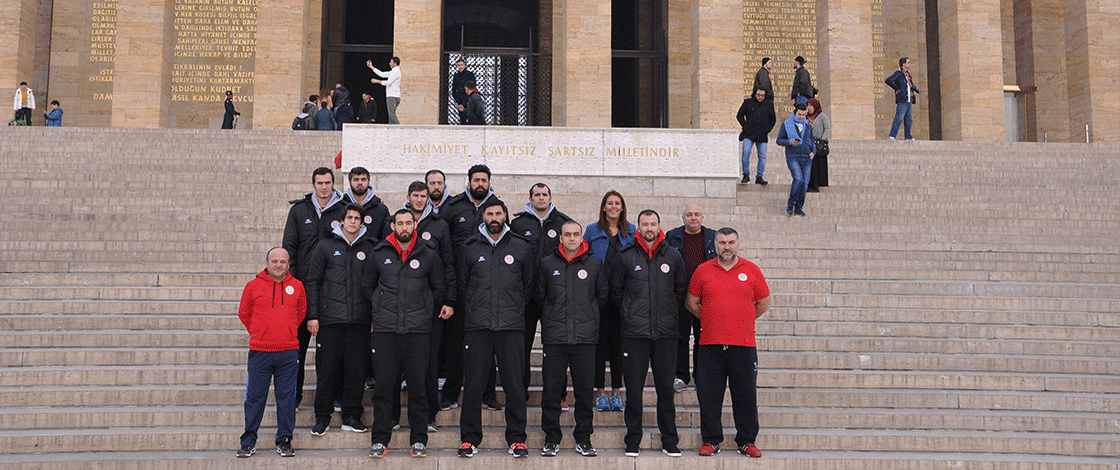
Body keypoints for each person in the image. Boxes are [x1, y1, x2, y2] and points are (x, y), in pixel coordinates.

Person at [365, 209, 448, 458]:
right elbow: (367, 285)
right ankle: (380, 440)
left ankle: (419, 439)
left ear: (415, 225)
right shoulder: (379, 253)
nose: (404, 227)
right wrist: (379, 306)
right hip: (386, 330)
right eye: (399, 223)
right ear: (393, 226)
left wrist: (423, 309)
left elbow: (439, 287)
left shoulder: (429, 255)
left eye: (408, 223)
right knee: (383, 389)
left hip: (418, 331)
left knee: (418, 387)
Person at [455, 199, 533, 458]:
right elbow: (463, 285)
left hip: (511, 326)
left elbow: (528, 286)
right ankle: (469, 438)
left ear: (505, 215)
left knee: (514, 385)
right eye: (489, 213)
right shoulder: (469, 247)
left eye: (499, 212)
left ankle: (517, 439)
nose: (494, 217)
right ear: (483, 216)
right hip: (478, 325)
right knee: (474, 385)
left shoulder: (521, 246)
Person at [686, 228, 771, 458]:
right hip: (710, 345)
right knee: (709, 395)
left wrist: (742, 317)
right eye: (722, 242)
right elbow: (691, 302)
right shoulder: (703, 270)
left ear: (738, 244)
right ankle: (711, 441)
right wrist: (712, 316)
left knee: (745, 394)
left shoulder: (751, 270)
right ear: (715, 244)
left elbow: (763, 302)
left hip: (743, 345)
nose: (727, 246)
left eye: (731, 242)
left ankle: (746, 441)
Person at [610, 210, 686, 457]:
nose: (649, 228)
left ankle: (670, 441)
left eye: (653, 223)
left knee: (665, 390)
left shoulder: (673, 256)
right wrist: (631, 315)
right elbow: (616, 292)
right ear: (638, 227)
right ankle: (633, 440)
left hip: (665, 334)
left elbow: (679, 291)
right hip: (634, 334)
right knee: (633, 390)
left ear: (659, 226)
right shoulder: (625, 256)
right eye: (645, 224)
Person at [536, 220, 607, 457]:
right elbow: (540, 296)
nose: (572, 238)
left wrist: (588, 314)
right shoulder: (547, 264)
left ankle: (584, 438)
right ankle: (551, 438)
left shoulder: (595, 264)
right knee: (551, 391)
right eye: (567, 234)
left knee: (585, 392)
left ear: (581, 237)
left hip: (585, 339)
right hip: (555, 338)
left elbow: (602, 295)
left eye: (576, 234)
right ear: (561, 238)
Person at [389, 181, 456, 432]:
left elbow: (448, 264)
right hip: (396, 310)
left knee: (427, 364)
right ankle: (393, 417)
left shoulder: (439, 225)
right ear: (408, 197)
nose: (419, 199)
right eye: (415, 195)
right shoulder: (396, 221)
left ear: (429, 198)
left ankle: (428, 416)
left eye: (423, 196)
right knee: (394, 367)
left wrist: (448, 301)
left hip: (428, 309)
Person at [304, 204, 376, 437]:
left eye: (357, 218)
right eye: (350, 217)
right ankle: (322, 417)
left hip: (359, 322)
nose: (353, 221)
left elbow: (376, 285)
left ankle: (351, 416)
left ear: (362, 222)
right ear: (342, 221)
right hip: (330, 321)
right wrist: (313, 316)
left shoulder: (371, 248)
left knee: (356, 372)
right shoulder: (325, 246)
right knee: (327, 371)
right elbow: (313, 282)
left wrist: (374, 317)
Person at [439, 164, 503, 412]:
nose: (480, 184)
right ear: (468, 182)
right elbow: (444, 247)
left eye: (484, 180)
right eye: (476, 180)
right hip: (459, 287)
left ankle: (489, 395)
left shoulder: (496, 207)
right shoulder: (453, 207)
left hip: (487, 290)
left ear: (489, 182)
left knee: (488, 346)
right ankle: (451, 394)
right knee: (456, 344)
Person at [282, 167, 347, 408]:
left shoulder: (343, 210)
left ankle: (334, 396)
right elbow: (289, 249)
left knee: (332, 353)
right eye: (320, 183)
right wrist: (294, 286)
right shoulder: (299, 211)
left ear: (333, 183)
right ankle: (293, 396)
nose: (324, 187)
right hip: (301, 290)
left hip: (331, 291)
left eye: (328, 182)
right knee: (295, 349)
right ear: (313, 184)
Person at [237, 247, 305, 458]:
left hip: (288, 352)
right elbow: (244, 313)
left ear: (288, 264)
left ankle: (284, 440)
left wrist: (286, 332)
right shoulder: (253, 286)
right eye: (274, 261)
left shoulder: (298, 286)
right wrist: (260, 333)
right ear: (267, 262)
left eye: (282, 261)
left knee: (286, 398)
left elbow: (301, 313)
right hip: (260, 352)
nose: (278, 265)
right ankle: (248, 441)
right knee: (255, 398)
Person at [509, 183, 572, 396]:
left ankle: (558, 395)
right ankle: (520, 392)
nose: (541, 198)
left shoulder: (563, 222)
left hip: (553, 295)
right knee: (521, 347)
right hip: (525, 295)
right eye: (537, 194)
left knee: (555, 348)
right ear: (531, 198)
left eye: (545, 194)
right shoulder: (518, 224)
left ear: (551, 197)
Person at [583, 190, 633, 412]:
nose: (613, 206)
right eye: (609, 203)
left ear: (622, 207)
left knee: (619, 346)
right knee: (599, 345)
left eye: (617, 203)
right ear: (603, 207)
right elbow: (584, 256)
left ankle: (616, 392)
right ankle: (600, 392)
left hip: (623, 295)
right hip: (600, 294)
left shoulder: (631, 230)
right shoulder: (593, 230)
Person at [665, 204, 716, 393]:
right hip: (680, 296)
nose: (693, 218)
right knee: (681, 337)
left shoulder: (712, 237)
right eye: (689, 214)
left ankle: (701, 375)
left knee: (703, 338)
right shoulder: (672, 236)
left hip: (705, 297)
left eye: (696, 214)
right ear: (683, 217)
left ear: (702, 217)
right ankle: (681, 375)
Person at [777, 103, 816, 216]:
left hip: (807, 157)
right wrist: (789, 142)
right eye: (799, 114)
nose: (801, 116)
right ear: (795, 112)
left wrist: (814, 151)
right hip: (793, 156)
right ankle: (791, 204)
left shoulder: (808, 125)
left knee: (805, 184)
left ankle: (799, 207)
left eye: (804, 114)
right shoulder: (787, 124)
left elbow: (812, 140)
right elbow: (779, 140)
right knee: (798, 179)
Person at [736, 87, 777, 185]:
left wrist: (767, 129)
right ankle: (746, 174)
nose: (760, 97)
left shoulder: (769, 104)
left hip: (762, 135)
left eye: (762, 95)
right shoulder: (748, 102)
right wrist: (745, 126)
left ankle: (759, 176)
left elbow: (773, 119)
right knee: (746, 152)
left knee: (762, 156)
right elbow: (739, 115)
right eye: (759, 95)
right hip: (749, 133)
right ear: (755, 94)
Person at [342, 166, 389, 240]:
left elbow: (385, 238)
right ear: (349, 182)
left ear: (369, 182)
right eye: (356, 180)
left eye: (363, 179)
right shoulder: (341, 206)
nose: (360, 183)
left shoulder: (381, 209)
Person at [886, 57, 920, 140]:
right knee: (899, 117)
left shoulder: (908, 74)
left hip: (909, 99)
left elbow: (909, 85)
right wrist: (896, 88)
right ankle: (892, 135)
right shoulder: (898, 73)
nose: (909, 64)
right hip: (902, 99)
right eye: (908, 62)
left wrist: (914, 89)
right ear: (903, 64)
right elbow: (888, 80)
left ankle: (908, 136)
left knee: (909, 119)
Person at [806, 98, 831, 192]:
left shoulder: (822, 116)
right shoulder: (806, 117)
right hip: (809, 144)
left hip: (819, 144)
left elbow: (827, 129)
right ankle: (809, 183)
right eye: (808, 105)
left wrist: (822, 140)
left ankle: (817, 184)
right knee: (810, 165)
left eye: (811, 105)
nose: (809, 107)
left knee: (818, 164)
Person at [368, 57, 402, 124]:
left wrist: (377, 81)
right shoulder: (394, 71)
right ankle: (392, 130)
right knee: (391, 116)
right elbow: (382, 74)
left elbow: (388, 82)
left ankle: (400, 128)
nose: (389, 64)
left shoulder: (396, 71)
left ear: (395, 63)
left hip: (392, 96)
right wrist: (371, 67)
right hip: (394, 96)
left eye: (391, 62)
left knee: (392, 115)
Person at [451, 59, 476, 124]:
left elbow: (473, 87)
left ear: (464, 65)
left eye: (462, 65)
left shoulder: (470, 75)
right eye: (459, 65)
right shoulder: (456, 76)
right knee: (462, 120)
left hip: (469, 101)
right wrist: (457, 101)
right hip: (460, 102)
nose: (460, 66)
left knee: (471, 119)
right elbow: (453, 89)